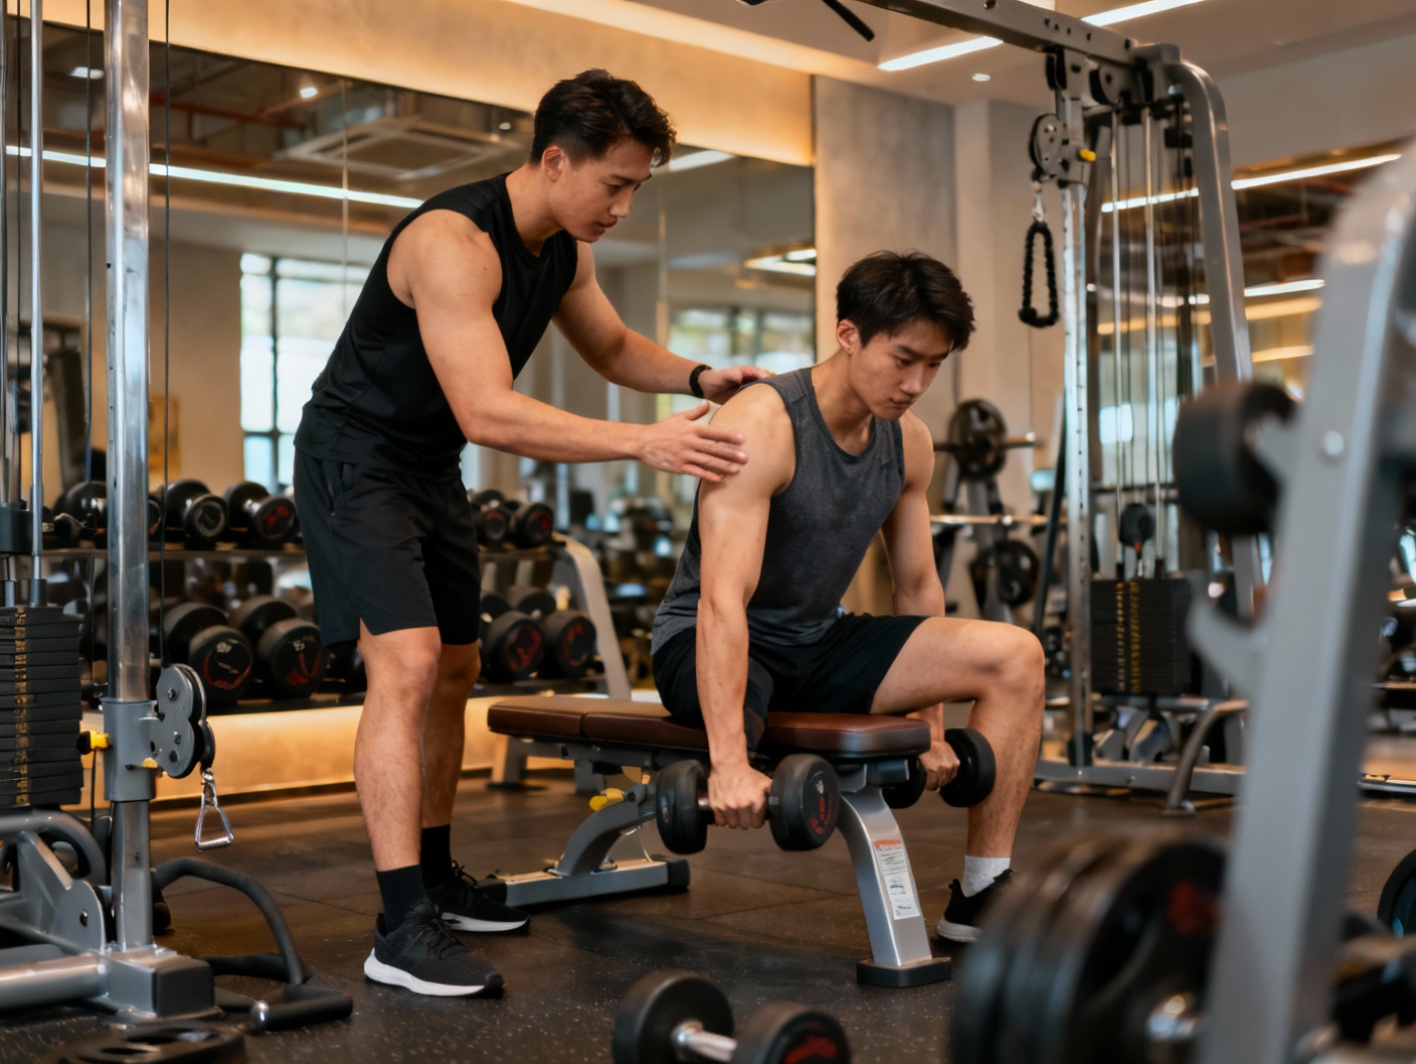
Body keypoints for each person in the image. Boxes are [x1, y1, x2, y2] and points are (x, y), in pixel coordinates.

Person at [292, 69, 768, 998]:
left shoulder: (562, 248)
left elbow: (614, 347)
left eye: (637, 186)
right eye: (615, 184)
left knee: (461, 666)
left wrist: (701, 378)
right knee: (411, 663)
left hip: (426, 469)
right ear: (556, 160)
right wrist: (646, 444)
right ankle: (398, 926)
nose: (624, 205)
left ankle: (434, 876)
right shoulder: (451, 243)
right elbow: (487, 411)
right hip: (356, 460)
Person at [650, 251, 1045, 944]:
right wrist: (729, 763)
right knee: (735, 699)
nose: (917, 383)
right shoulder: (761, 426)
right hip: (706, 637)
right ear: (849, 334)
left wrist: (929, 721)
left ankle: (983, 892)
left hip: (815, 639)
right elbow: (722, 600)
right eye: (903, 359)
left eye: (934, 365)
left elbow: (918, 585)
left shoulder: (910, 443)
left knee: (1016, 655)